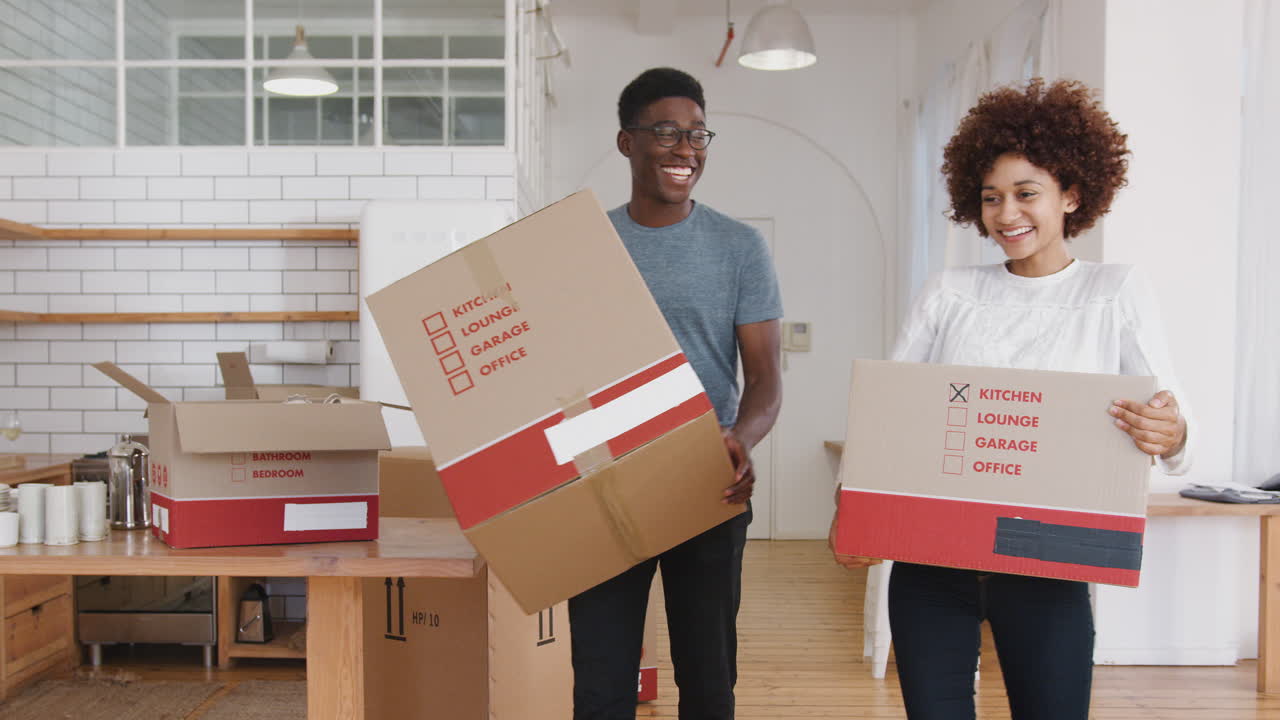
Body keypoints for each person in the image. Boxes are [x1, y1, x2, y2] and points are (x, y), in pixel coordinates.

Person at [830, 78, 1192, 720]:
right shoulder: (948, 291)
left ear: (1072, 195)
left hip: (1048, 566)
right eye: (991, 197)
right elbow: (890, 416)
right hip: (931, 564)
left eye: (1027, 194)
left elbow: (1173, 421)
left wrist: (1173, 433)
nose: (1006, 214)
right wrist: (852, 511)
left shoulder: (1115, 292)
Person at [569, 67, 783, 720]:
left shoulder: (740, 247)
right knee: (602, 684)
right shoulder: (581, 246)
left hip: (705, 479)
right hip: (606, 479)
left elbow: (767, 378)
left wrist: (738, 441)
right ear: (626, 142)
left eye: (697, 134)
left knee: (708, 680)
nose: (686, 149)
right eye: (666, 132)